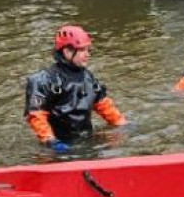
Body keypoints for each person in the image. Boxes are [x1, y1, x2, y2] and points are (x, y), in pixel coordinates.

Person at [24, 24, 127, 153]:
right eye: (82, 50)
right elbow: (36, 116)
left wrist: (121, 124)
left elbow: (104, 105)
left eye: (88, 50)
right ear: (67, 52)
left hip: (87, 139)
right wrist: (51, 141)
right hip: (58, 145)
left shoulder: (88, 77)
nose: (88, 54)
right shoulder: (43, 80)